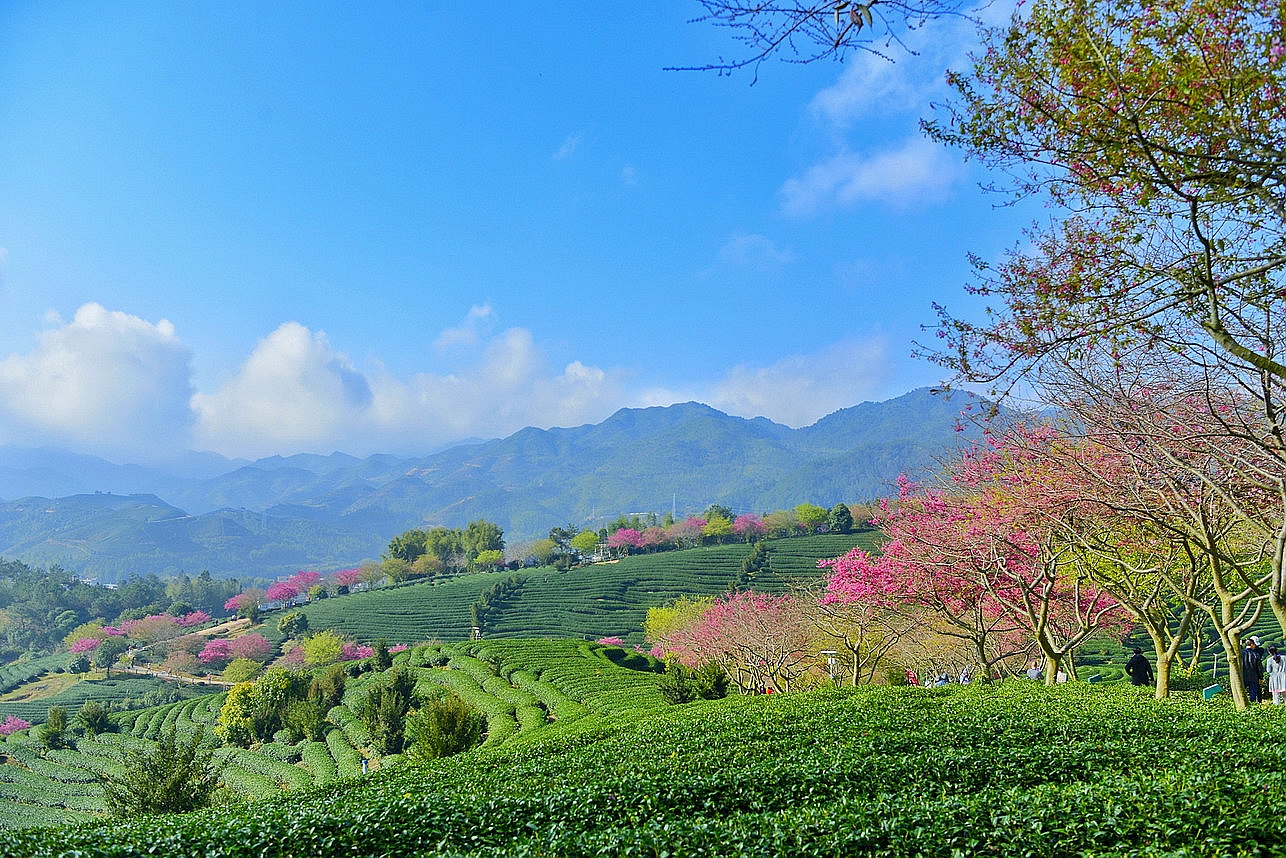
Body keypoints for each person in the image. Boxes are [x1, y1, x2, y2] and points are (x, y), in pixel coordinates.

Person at [1242, 636, 1267, 703]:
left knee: (1241, 692)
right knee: (1253, 694)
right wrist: (1261, 678)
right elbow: (1259, 668)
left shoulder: (1240, 653)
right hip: (1253, 677)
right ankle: (1252, 707)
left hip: (1242, 676)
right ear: (1252, 644)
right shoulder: (1256, 655)